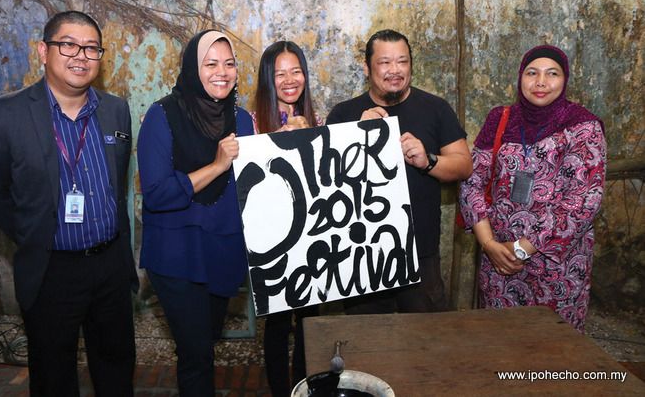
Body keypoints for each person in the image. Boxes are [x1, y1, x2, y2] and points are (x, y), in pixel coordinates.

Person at [0, 10, 136, 397]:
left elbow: (117, 183)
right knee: (53, 376)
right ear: (43, 51)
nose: (81, 56)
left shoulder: (115, 110)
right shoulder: (4, 115)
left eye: (92, 48)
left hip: (110, 266)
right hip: (51, 270)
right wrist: (34, 232)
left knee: (116, 369)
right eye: (69, 45)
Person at [137, 30, 254, 396]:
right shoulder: (162, 116)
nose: (222, 72)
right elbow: (157, 194)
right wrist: (217, 166)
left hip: (222, 250)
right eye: (211, 63)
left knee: (207, 343)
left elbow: (254, 185)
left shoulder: (242, 120)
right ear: (192, 68)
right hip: (177, 253)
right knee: (196, 354)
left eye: (229, 64)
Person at [459, 45, 606, 332]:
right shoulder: (500, 119)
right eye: (532, 73)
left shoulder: (582, 126)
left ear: (564, 80)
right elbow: (472, 180)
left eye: (552, 74)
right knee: (498, 338)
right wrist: (488, 244)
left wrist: (522, 249)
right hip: (499, 262)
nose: (541, 82)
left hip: (556, 266)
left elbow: (584, 200)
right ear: (520, 77)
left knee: (553, 343)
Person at [326, 29, 472, 314]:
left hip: (420, 251)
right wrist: (355, 135)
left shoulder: (435, 108)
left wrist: (428, 161)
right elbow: (330, 181)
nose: (395, 70)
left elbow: (464, 165)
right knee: (365, 336)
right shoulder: (344, 114)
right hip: (362, 253)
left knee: (427, 336)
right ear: (367, 67)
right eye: (385, 62)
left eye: (402, 61)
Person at [253, 40, 322, 396]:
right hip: (273, 240)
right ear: (268, 79)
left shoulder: (317, 120)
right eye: (280, 74)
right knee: (278, 323)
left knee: (311, 323)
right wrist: (275, 143)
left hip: (311, 237)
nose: (290, 80)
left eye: (296, 71)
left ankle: (304, 388)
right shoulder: (251, 123)